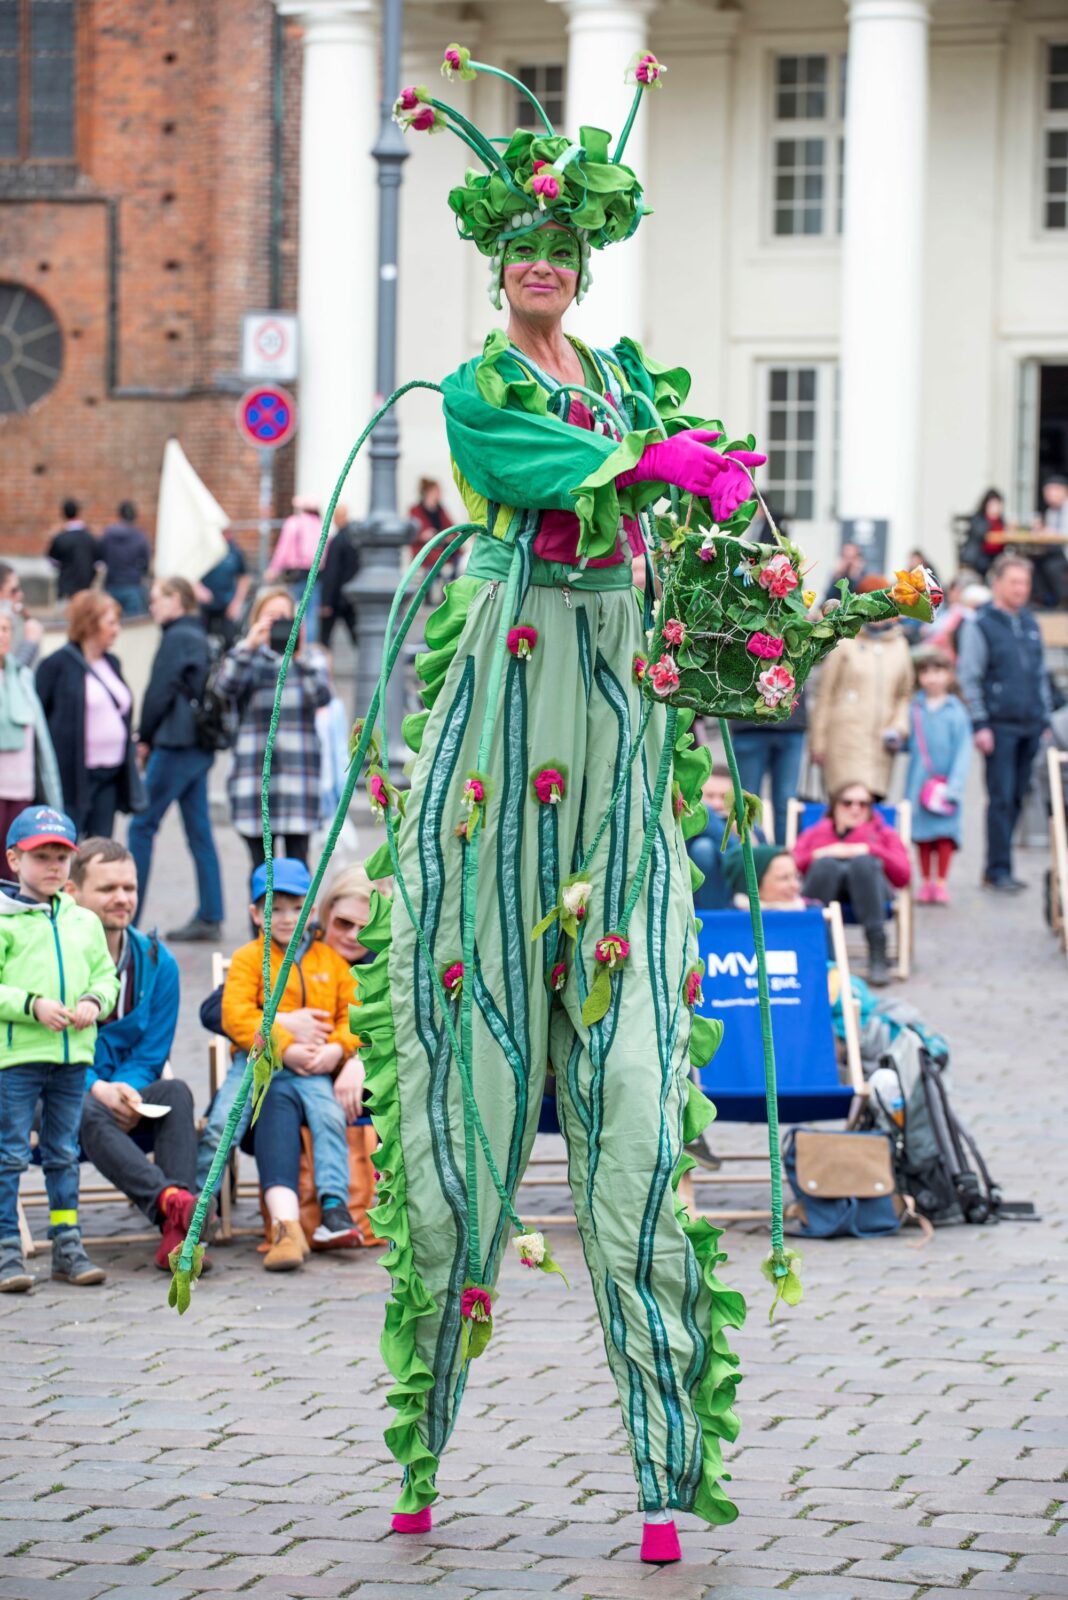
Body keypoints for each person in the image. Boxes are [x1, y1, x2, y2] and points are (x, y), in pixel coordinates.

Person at [348, 56, 766, 1561]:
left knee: (642, 1133)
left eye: (561, 250)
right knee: (462, 1151)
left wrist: (720, 524)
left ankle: (665, 1473)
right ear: (497, 265)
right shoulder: (484, 386)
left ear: (581, 266)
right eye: (522, 249)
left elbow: (674, 501)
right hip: (500, 756)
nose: (541, 266)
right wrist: (650, 465)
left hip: (619, 744)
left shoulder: (626, 374)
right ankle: (426, 1440)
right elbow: (532, 460)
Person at [197, 858, 364, 1267]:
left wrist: (337, 1050)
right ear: (256, 913)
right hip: (257, 1063)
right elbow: (235, 1013)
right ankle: (198, 1209)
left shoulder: (329, 960)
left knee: (329, 1119)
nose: (287, 918)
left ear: (310, 910)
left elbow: (353, 1015)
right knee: (222, 1121)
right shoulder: (250, 958)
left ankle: (334, 1209)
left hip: (313, 1069)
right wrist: (284, 1043)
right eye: (275, 908)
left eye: (296, 907)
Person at [68, 838, 203, 1274]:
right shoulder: (56, 958)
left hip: (125, 1088)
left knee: (177, 1092)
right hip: (58, 1094)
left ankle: (178, 1230)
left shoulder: (157, 961)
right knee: (85, 1105)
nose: (122, 899)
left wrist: (124, 1087)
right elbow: (50, 1054)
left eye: (129, 887)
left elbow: (153, 1050)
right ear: (74, 892)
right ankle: (173, 1208)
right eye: (107, 889)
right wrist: (98, 1088)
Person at [0, 805, 118, 1293]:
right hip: (18, 1059)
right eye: (40, 856)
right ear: (13, 860)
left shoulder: (83, 921)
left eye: (61, 857)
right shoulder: (5, 919)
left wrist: (94, 1000)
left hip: (72, 1057)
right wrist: (33, 1005)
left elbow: (105, 976)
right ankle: (6, 1247)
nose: (52, 866)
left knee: (63, 1153)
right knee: (9, 1154)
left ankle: (67, 1244)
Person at [127, 578, 224, 942]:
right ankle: (211, 914)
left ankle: (126, 915)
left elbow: (159, 691)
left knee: (141, 826)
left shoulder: (178, 636)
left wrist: (145, 736)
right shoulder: (195, 633)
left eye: (157, 599)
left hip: (175, 742)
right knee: (199, 830)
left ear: (177, 600)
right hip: (194, 744)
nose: (152, 607)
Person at [213, 587, 330, 878]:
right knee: (260, 873)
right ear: (256, 620)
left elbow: (323, 697)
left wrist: (299, 654)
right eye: (270, 616)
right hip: (254, 782)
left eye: (284, 617)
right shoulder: (246, 657)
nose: (278, 623)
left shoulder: (309, 661)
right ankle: (260, 925)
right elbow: (223, 689)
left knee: (298, 869)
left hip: (298, 781)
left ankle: (297, 925)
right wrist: (248, 646)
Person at [958, 554, 1051, 892]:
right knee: (1000, 798)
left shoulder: (1029, 623)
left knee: (1017, 798)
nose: (1020, 589)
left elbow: (1040, 674)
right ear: (997, 584)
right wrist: (980, 723)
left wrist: (1044, 716)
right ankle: (997, 868)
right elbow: (969, 676)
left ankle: (1001, 864)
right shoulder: (979, 624)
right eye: (1014, 582)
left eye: (1024, 583)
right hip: (998, 725)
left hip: (1030, 723)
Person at [35, 591, 136, 839]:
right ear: (90, 623)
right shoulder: (57, 665)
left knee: (100, 847)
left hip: (111, 773)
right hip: (74, 776)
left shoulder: (112, 662)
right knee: (66, 843)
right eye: (111, 623)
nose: (117, 629)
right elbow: (40, 718)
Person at [793, 782, 911, 985]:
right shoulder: (816, 832)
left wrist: (869, 849)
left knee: (862, 864)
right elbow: (790, 866)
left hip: (871, 891)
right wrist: (820, 853)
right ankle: (817, 948)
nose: (855, 809)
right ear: (835, 806)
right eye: (847, 803)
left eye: (863, 804)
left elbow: (903, 874)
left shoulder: (882, 833)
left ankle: (877, 951)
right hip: (827, 891)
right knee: (827, 865)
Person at [808, 575, 913, 799]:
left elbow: (904, 695)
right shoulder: (845, 641)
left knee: (872, 816)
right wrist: (817, 743)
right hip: (843, 745)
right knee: (843, 809)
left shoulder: (900, 645)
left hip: (881, 748)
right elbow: (825, 693)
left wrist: (899, 727)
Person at [904, 648, 972, 905]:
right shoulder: (914, 708)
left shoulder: (957, 712)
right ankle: (925, 881)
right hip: (919, 782)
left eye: (938, 672)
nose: (932, 678)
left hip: (946, 784)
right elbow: (906, 741)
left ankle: (941, 881)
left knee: (945, 834)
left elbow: (964, 752)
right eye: (926, 672)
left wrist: (955, 787)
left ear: (950, 675)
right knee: (922, 835)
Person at [0, 607, 63, 844]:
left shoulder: (22, 678)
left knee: (14, 864)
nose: (2, 635)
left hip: (22, 786)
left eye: (6, 629)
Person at [728, 687, 807, 844]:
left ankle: (782, 860)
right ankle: (754, 857)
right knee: (749, 801)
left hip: (786, 721)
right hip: (750, 722)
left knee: (785, 802)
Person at [688, 767, 767, 911]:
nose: (717, 804)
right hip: (694, 905)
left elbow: (763, 873)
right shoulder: (686, 830)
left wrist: (742, 836)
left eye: (724, 797)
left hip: (741, 905)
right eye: (710, 796)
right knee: (703, 847)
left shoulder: (753, 830)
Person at [266, 497, 326, 644]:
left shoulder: (294, 523)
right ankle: (309, 645)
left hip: (296, 574)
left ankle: (293, 644)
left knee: (294, 611)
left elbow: (283, 549)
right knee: (311, 613)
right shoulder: (320, 525)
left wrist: (273, 570)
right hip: (316, 574)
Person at [196, 527, 251, 649]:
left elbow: (244, 578)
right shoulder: (204, 550)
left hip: (227, 605)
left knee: (230, 640)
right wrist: (198, 588)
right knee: (200, 640)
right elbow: (189, 572)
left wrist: (237, 603)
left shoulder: (235, 552)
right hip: (204, 605)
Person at [99, 502, 151, 617]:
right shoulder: (140, 536)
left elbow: (101, 556)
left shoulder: (108, 534)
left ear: (119, 515)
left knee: (109, 620)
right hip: (132, 585)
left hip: (111, 583)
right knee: (132, 625)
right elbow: (146, 561)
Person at [319, 505, 359, 649]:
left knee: (324, 639)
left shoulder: (337, 541)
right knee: (358, 637)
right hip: (351, 596)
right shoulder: (355, 540)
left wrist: (326, 601)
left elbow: (332, 572)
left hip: (336, 598)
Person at [723, 844, 808, 911]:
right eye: (784, 878)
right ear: (754, 884)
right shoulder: (729, 923)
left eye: (796, 877)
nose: (795, 886)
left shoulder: (813, 910)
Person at [1028, 474, 1068, 609]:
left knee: (1052, 566)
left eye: (1052, 490)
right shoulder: (1051, 511)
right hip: (1056, 550)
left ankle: (1063, 599)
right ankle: (1041, 598)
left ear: (1064, 491)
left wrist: (1050, 533)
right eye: (1047, 491)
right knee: (1035, 561)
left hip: (1064, 551)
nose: (1048, 495)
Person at [47, 499, 99, 601]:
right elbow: (98, 564)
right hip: (85, 589)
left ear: (63, 514)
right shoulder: (90, 538)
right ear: (78, 512)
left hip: (66, 589)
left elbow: (52, 562)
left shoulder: (60, 538)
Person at [0, 563, 44, 669]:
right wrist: (30, 643)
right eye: (13, 591)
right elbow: (8, 674)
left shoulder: (17, 619)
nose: (20, 595)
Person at [960, 488, 1008, 577]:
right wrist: (991, 520)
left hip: (996, 555)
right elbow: (980, 533)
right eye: (993, 504)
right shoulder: (979, 518)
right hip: (980, 556)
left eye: (998, 504)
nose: (996, 507)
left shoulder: (1000, 521)